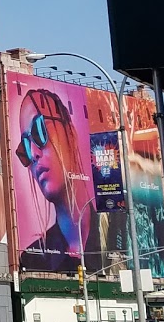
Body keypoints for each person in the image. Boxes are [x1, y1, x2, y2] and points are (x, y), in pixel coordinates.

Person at [16, 87, 101, 274]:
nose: (34, 154)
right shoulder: (32, 258)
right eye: (25, 148)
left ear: (70, 132)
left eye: (39, 132)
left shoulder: (121, 236)